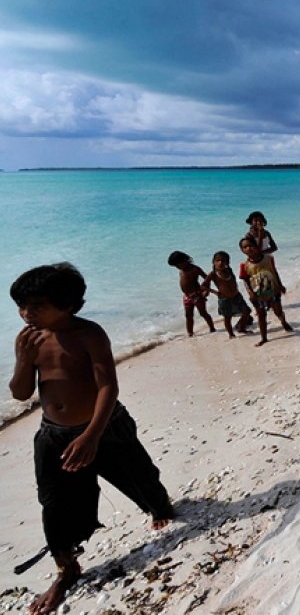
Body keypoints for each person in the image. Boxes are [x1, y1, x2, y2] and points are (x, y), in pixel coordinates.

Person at [8, 264, 173, 615]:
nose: (26, 314)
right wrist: (23, 360)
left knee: (139, 478)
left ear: (68, 305)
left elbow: (108, 387)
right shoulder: (31, 341)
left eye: (36, 306)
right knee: (55, 504)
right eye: (21, 306)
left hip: (105, 427)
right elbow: (22, 394)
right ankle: (66, 569)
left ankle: (159, 508)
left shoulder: (89, 335)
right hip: (53, 435)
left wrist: (91, 436)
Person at [239, 236, 293, 347]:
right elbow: (245, 280)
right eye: (245, 247)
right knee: (261, 315)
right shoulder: (244, 265)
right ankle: (264, 338)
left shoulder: (268, 258)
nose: (248, 248)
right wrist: (250, 292)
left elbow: (274, 272)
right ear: (242, 251)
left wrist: (280, 285)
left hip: (273, 290)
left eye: (250, 245)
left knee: (278, 311)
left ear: (255, 246)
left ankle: (283, 322)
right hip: (257, 293)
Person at [202, 251, 252, 339]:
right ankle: (231, 334)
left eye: (223, 261)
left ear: (227, 262)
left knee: (246, 311)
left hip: (237, 296)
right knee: (227, 317)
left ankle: (241, 328)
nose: (220, 263)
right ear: (213, 262)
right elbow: (203, 285)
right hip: (225, 299)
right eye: (217, 260)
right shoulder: (213, 274)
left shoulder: (229, 270)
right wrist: (213, 292)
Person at [167, 251, 215, 336]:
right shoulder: (181, 271)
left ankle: (212, 328)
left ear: (185, 260)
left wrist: (206, 290)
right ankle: (190, 333)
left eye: (178, 265)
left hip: (197, 294)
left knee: (203, 313)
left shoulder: (194, 269)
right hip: (187, 296)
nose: (177, 267)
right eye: (176, 266)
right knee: (188, 315)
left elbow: (207, 278)